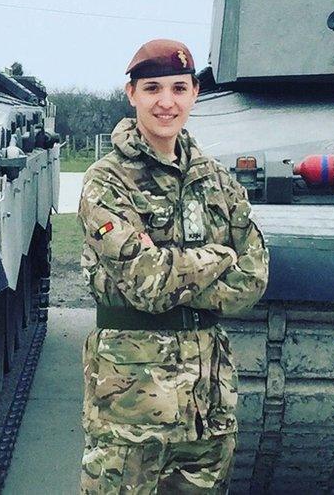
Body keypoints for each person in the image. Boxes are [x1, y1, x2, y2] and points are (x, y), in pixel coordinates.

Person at [77, 39, 269, 493]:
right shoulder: (106, 180)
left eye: (179, 88)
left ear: (195, 93)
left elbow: (254, 278)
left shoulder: (217, 178)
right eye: (152, 89)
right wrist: (219, 257)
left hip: (208, 404)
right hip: (131, 405)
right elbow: (148, 285)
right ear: (132, 94)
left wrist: (173, 267)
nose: (167, 102)